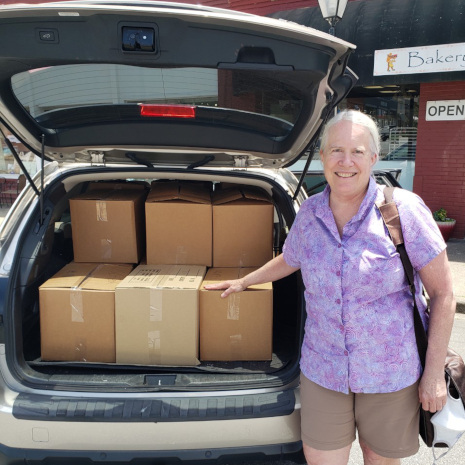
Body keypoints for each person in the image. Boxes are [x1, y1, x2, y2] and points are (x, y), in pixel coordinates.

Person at [204, 109, 456, 465]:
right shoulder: (310, 213)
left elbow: (444, 295)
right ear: (322, 157)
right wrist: (245, 281)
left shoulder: (404, 211)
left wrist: (433, 377)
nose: (345, 161)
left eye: (356, 151)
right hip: (324, 371)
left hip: (389, 373)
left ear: (373, 157)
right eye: (336, 150)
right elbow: (291, 258)